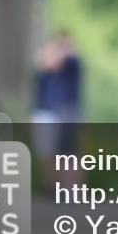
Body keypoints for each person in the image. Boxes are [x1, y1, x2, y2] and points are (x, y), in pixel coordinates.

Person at [31, 30, 84, 189]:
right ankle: (55, 187)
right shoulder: (46, 74)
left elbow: (69, 58)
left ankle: (73, 188)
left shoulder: (72, 66)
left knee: (69, 152)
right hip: (53, 114)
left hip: (69, 113)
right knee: (53, 152)